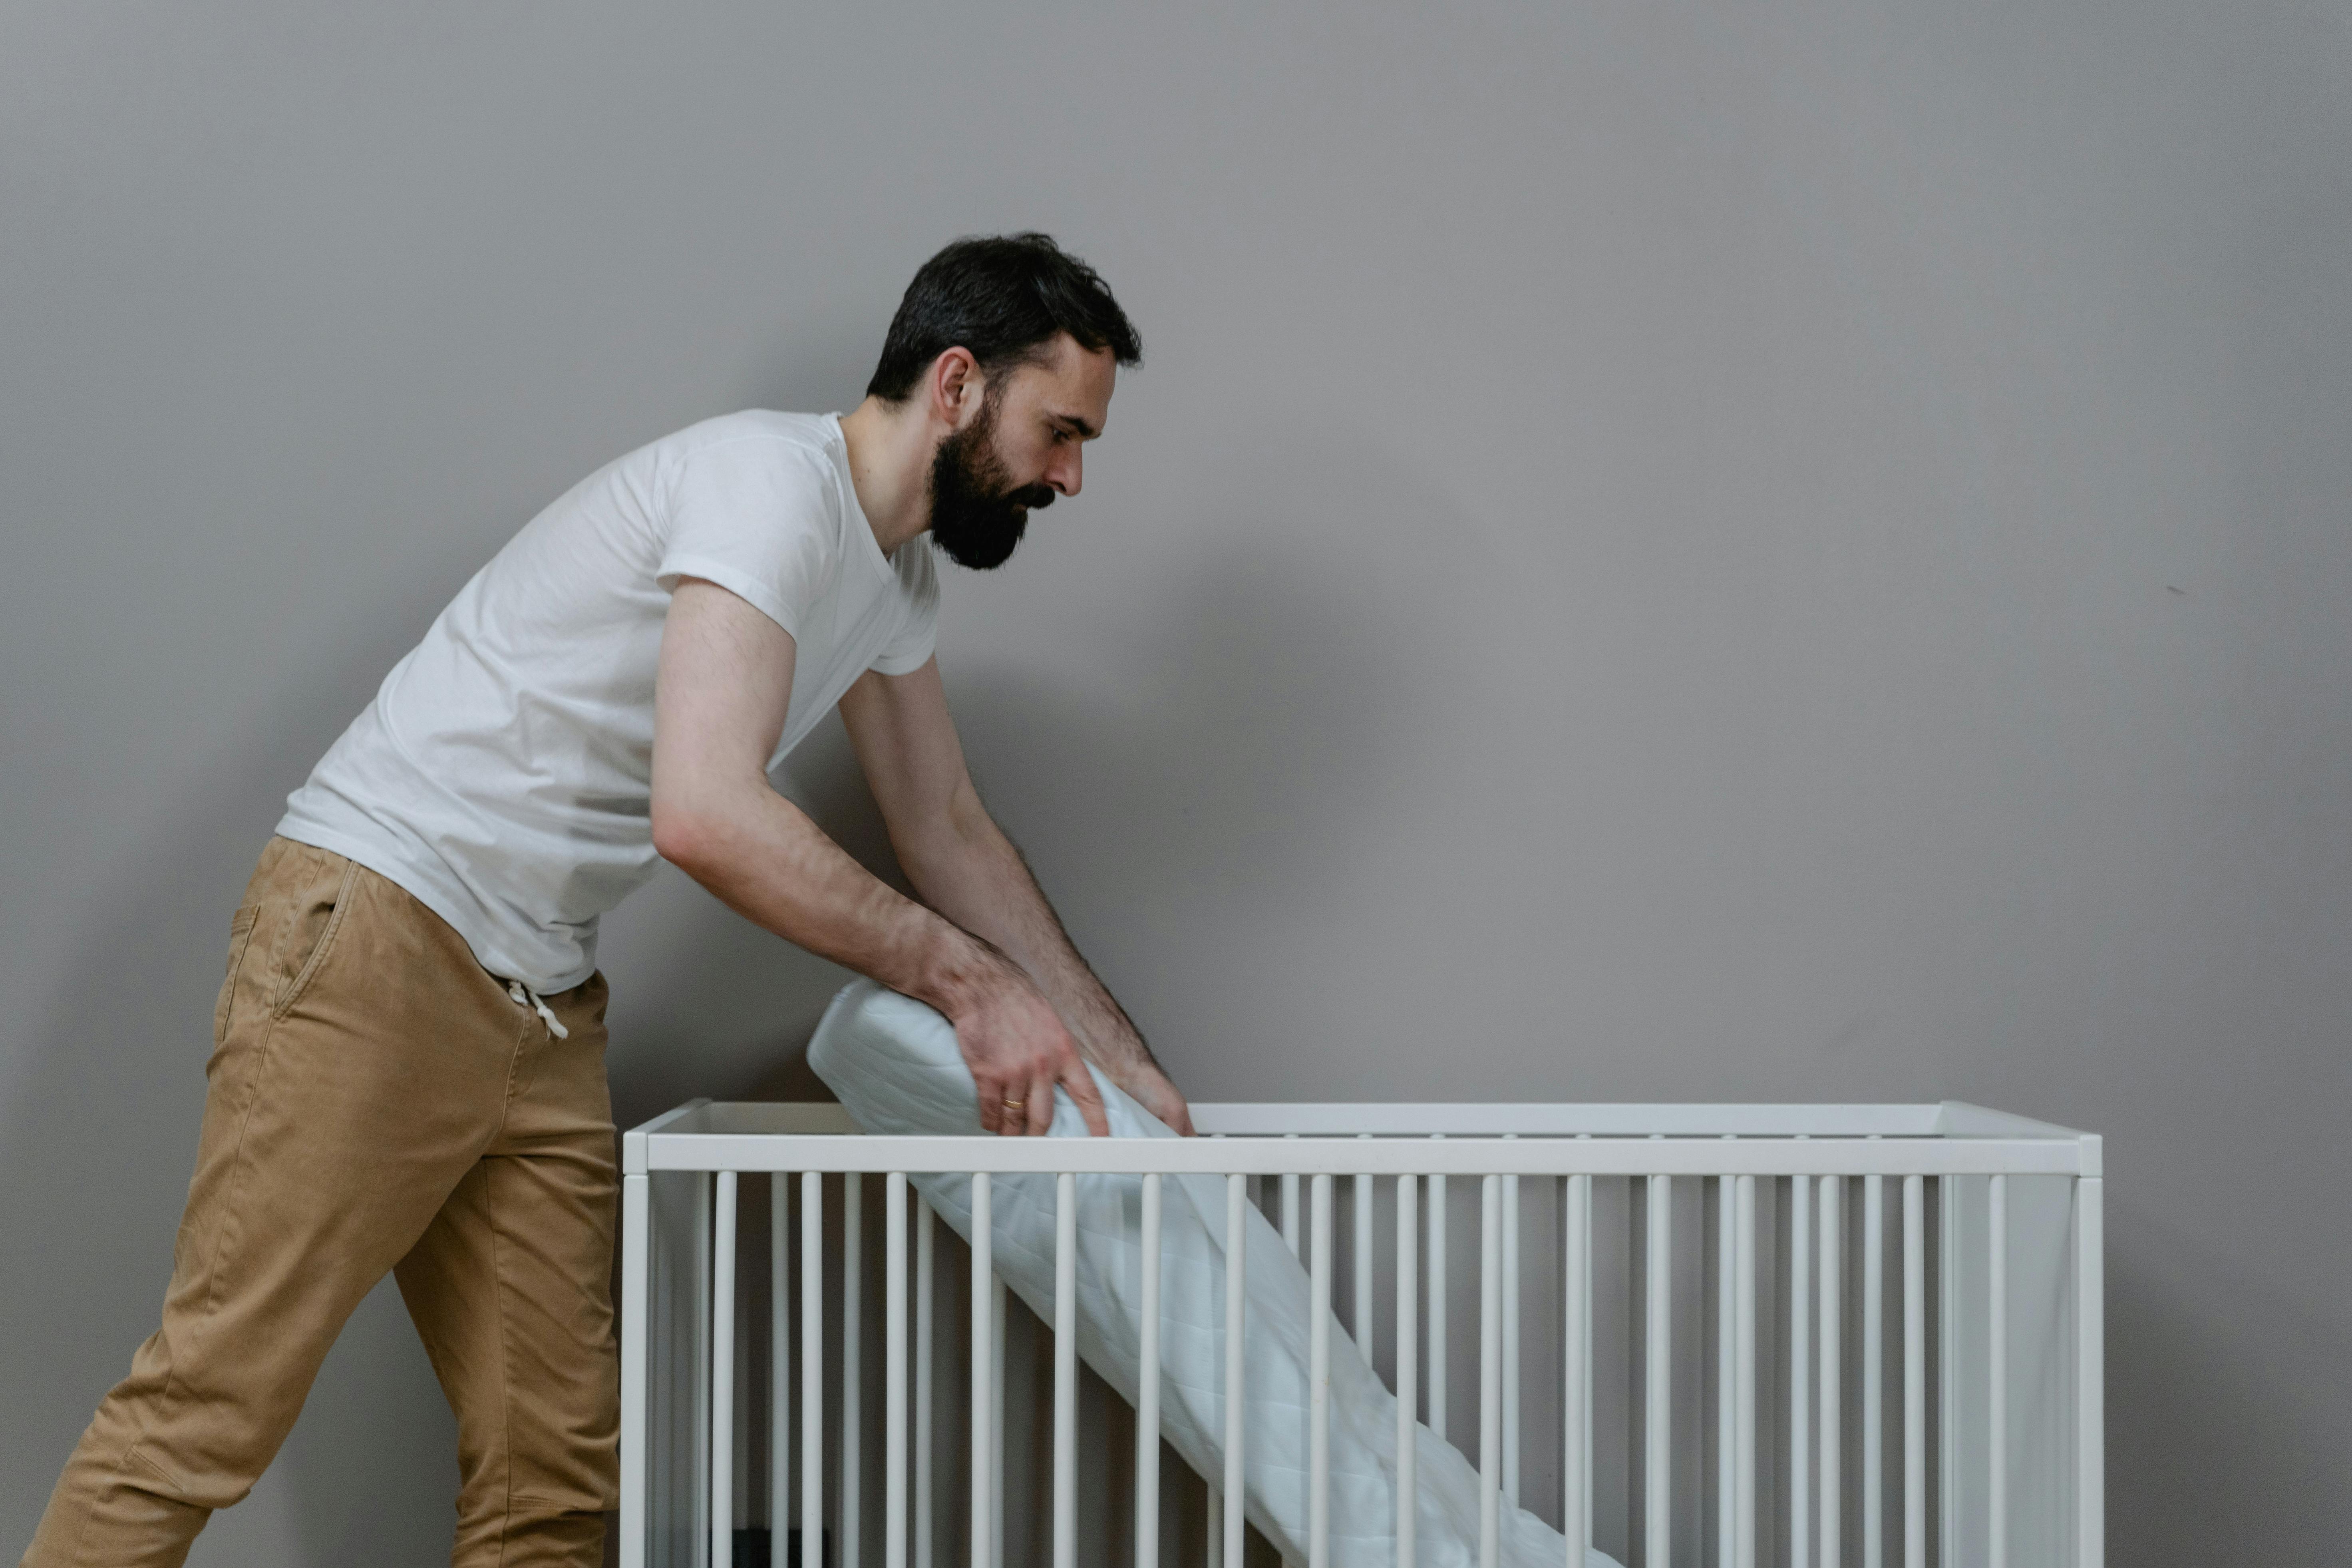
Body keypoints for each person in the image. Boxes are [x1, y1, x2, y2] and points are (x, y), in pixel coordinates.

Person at [22, 232, 1191, 1568]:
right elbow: (704, 812)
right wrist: (971, 987)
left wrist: (1121, 1061)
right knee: (204, 1417)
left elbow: (949, 829)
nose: (1070, 477)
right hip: (383, 935)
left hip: (539, 1000)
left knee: (552, 1479)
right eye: (1060, 431)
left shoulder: (895, 581)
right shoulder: (770, 488)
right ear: (959, 383)